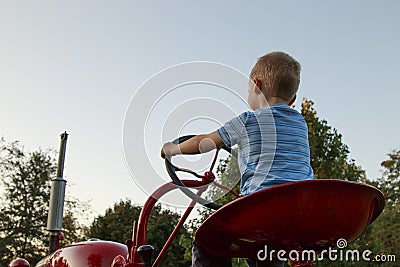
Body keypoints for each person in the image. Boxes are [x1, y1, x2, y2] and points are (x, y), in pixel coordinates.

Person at [161, 51, 314, 267]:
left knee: (207, 241)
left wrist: (173, 149)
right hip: (300, 215)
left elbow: (204, 142)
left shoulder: (247, 121)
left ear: (255, 85)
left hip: (260, 212)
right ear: (293, 100)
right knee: (269, 249)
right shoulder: (300, 124)